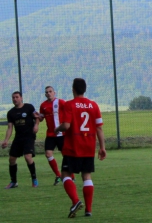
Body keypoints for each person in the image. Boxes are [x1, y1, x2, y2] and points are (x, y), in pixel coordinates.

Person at [54, 78, 106, 218]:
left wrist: (56, 129)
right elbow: (99, 128)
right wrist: (102, 147)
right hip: (89, 146)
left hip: (73, 146)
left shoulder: (69, 105)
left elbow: (66, 126)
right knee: (86, 176)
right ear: (85, 89)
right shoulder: (94, 105)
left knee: (65, 174)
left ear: (73, 89)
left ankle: (76, 201)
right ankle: (88, 210)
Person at [1, 91, 39, 188]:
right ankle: (14, 182)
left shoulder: (29, 107)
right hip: (18, 138)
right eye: (13, 97)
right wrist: (6, 140)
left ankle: (34, 179)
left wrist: (36, 125)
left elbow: (37, 117)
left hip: (29, 137)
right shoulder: (11, 113)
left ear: (21, 98)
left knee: (27, 157)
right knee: (12, 159)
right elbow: (10, 128)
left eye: (17, 97)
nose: (15, 99)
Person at [38, 86, 74, 185]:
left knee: (65, 155)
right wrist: (37, 118)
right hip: (50, 134)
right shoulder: (43, 105)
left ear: (54, 92)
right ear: (45, 94)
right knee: (48, 154)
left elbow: (70, 110)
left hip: (62, 134)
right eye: (47, 92)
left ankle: (71, 176)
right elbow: (41, 118)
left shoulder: (61, 102)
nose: (48, 93)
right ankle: (58, 175)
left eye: (50, 91)